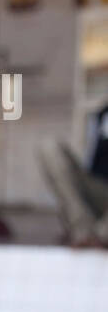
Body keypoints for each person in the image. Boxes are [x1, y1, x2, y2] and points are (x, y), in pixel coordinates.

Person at [38, 101, 108, 248]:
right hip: (99, 190)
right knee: (49, 147)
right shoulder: (101, 113)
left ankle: (102, 235)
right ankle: (82, 231)